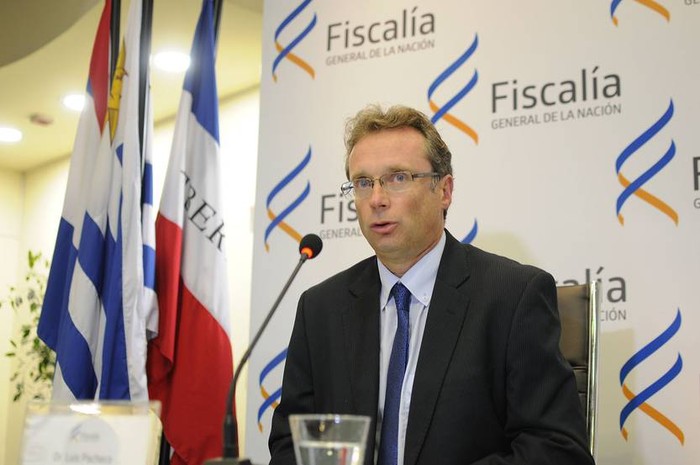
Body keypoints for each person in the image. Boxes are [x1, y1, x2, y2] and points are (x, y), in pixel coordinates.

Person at [268, 104, 594, 465]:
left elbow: (559, 451)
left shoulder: (513, 296)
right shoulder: (321, 309)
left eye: (398, 178)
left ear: (444, 190)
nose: (377, 199)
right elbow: (289, 446)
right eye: (363, 183)